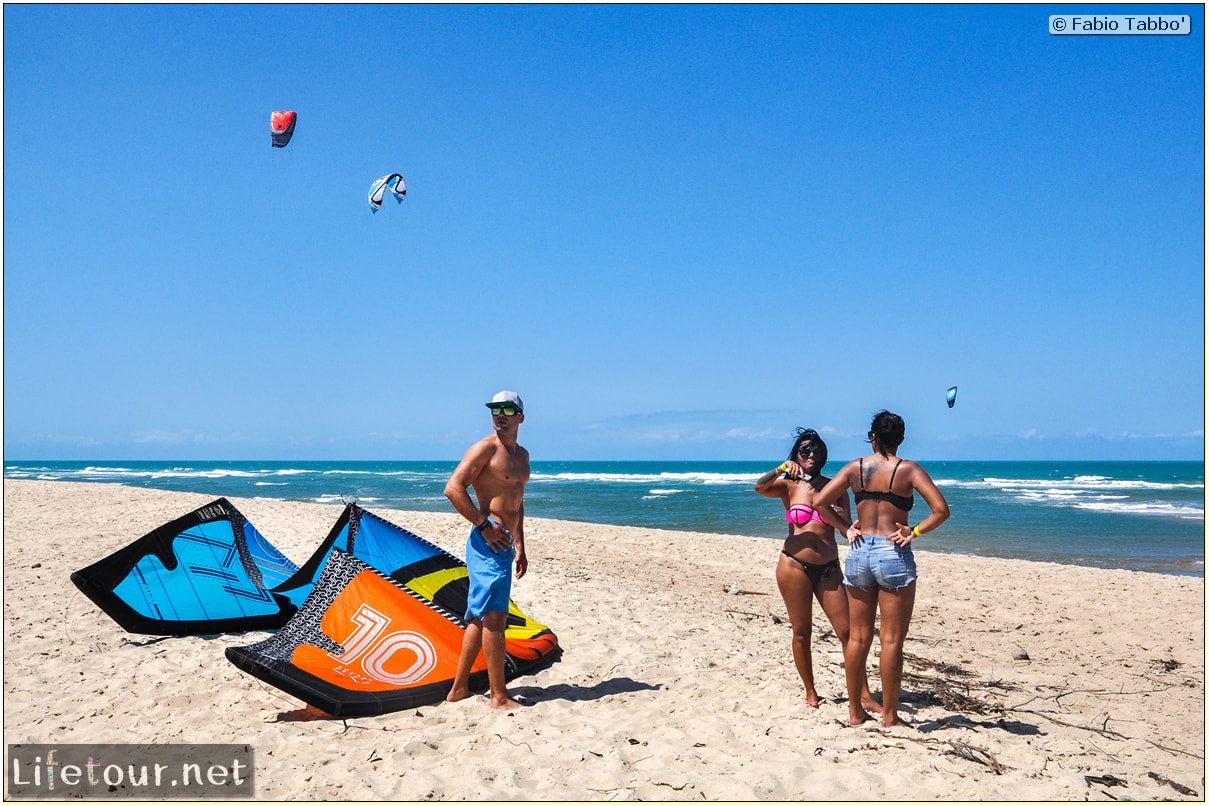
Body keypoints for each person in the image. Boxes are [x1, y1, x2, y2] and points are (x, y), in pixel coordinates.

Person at [814, 410, 950, 727]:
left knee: (858, 638)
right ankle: (889, 716)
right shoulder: (909, 470)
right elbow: (941, 511)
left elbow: (820, 503)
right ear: (901, 439)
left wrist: (846, 528)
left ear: (872, 437)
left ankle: (854, 714)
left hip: (860, 552)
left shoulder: (854, 468)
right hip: (892, 551)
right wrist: (913, 532)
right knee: (891, 641)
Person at [754, 428, 878, 713]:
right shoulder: (788, 486)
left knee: (848, 633)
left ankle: (865, 695)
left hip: (828, 569)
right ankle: (811, 692)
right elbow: (759, 487)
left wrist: (839, 517)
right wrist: (782, 468)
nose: (812, 455)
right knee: (801, 631)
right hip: (793, 565)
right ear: (796, 455)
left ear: (824, 455)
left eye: (817, 450)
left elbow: (846, 526)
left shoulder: (835, 487)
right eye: (805, 451)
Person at [443, 391, 531, 710]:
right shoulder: (485, 448)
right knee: (495, 616)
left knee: (479, 618)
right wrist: (484, 526)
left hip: (506, 543)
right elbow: (453, 488)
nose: (500, 414)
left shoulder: (522, 456)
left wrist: (520, 545)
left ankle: (459, 689)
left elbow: (517, 504)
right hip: (488, 540)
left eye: (508, 409)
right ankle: (499, 696)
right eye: (495, 409)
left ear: (521, 416)